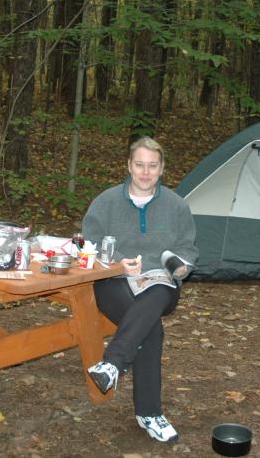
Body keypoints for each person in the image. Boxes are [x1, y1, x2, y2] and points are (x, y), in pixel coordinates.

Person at [82, 136, 198, 443]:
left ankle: (113, 363)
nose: (145, 173)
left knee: (158, 292)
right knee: (151, 330)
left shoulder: (176, 205)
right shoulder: (106, 202)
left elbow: (187, 248)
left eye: (152, 166)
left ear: (161, 169)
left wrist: (181, 267)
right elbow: (88, 245)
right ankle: (149, 413)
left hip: (160, 285)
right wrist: (120, 264)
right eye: (139, 165)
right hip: (115, 282)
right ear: (128, 166)